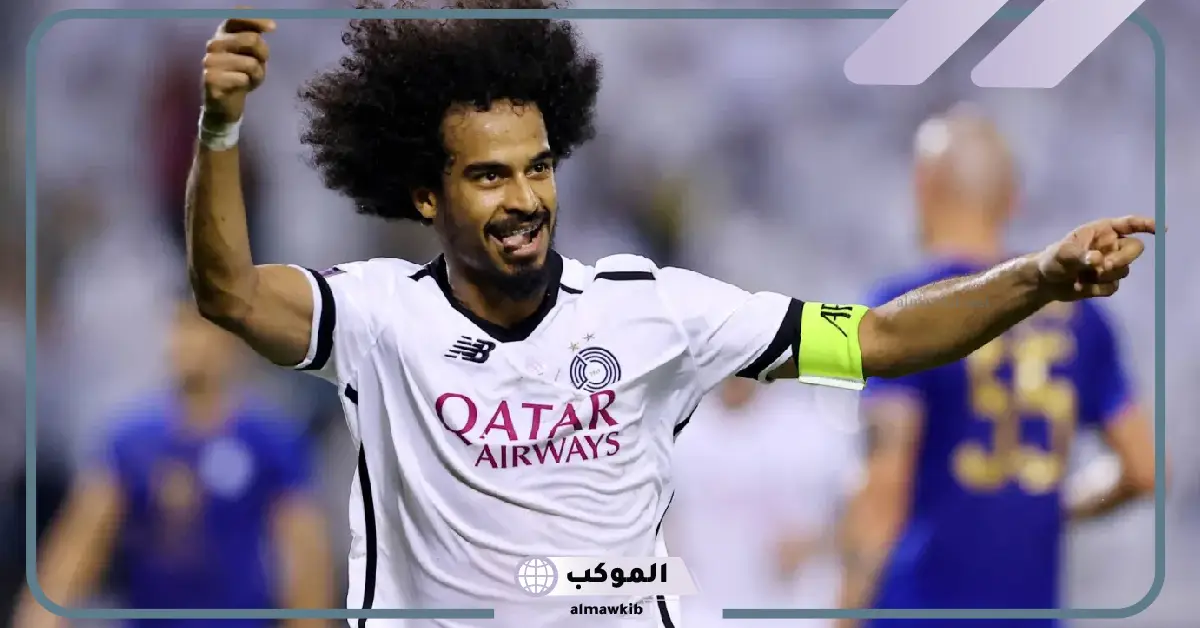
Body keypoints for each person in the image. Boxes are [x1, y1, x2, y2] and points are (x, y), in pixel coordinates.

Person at [186, 3, 1154, 627]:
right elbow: (230, 291)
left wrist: (1037, 276)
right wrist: (222, 128)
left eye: (538, 167)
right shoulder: (375, 315)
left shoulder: (655, 309)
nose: (524, 198)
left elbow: (879, 340)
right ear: (426, 195)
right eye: (489, 176)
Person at [835, 104, 1162, 628]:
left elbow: (883, 490)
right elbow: (1144, 470)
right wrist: (1056, 508)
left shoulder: (903, 311)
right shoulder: (1082, 317)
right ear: (1013, 200)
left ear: (924, 186)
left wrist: (843, 613)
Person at [14, 302, 332, 628]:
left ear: (234, 341)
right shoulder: (133, 440)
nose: (191, 342)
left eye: (205, 329)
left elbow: (305, 558)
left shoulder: (270, 440)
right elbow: (77, 547)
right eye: (182, 327)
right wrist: (42, 614)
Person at [666, 378, 860, 628]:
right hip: (700, 614)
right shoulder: (677, 432)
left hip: (793, 614)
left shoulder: (814, 428)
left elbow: (862, 523)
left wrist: (814, 544)